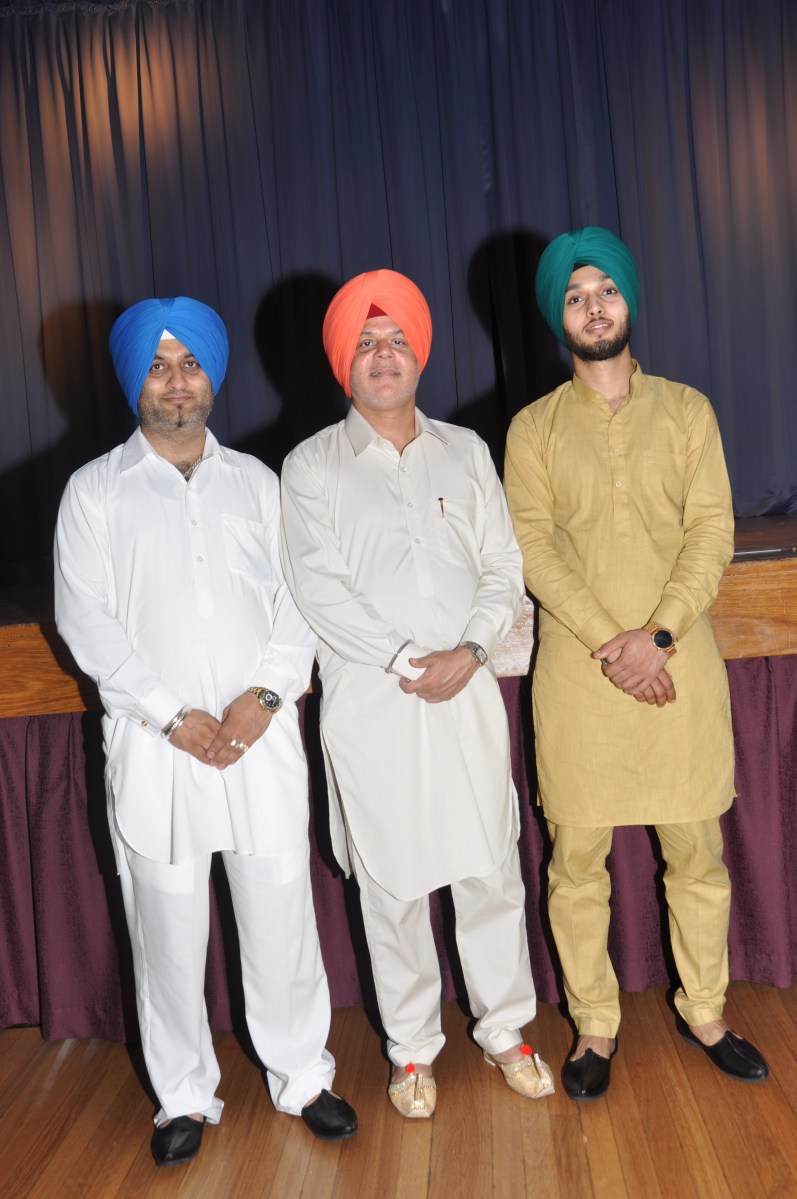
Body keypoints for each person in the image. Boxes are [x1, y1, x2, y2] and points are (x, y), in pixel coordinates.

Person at [54, 297, 357, 1166]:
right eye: (158, 366)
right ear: (133, 381)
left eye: (190, 363)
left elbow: (299, 602)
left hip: (258, 739)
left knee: (280, 913)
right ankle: (183, 1094)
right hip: (158, 750)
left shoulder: (259, 483)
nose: (176, 381)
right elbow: (86, 621)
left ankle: (302, 1075)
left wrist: (262, 698)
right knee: (165, 926)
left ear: (213, 376)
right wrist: (169, 713)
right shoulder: (93, 493)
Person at [279, 269, 554, 1118]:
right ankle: (410, 1052)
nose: (382, 354)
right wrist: (406, 659)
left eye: (396, 338)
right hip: (373, 704)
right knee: (390, 886)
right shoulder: (310, 465)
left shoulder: (466, 450)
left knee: (488, 869)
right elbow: (318, 589)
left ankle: (506, 1030)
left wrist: (469, 650)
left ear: (419, 352)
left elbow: (502, 564)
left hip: (465, 688)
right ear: (342, 361)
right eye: (365, 342)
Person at [504, 227, 769, 1100]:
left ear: (628, 301)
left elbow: (712, 531)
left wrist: (655, 637)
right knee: (575, 862)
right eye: (574, 295)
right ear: (558, 317)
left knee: (695, 853)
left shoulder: (688, 411)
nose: (593, 307)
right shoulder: (533, 428)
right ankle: (593, 1023)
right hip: (580, 679)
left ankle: (706, 1011)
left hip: (676, 668)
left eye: (605, 290)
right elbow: (533, 549)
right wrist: (610, 642)